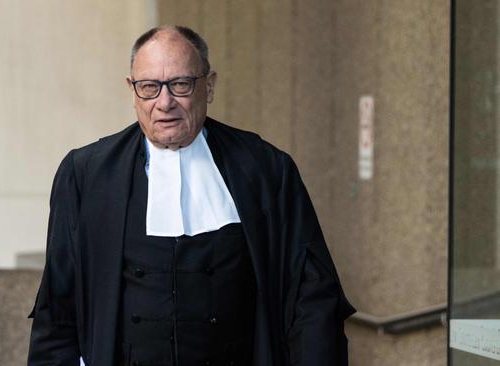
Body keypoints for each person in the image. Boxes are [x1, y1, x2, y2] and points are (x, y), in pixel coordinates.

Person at [28, 25, 355, 366]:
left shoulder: (266, 169)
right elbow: (58, 307)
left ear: (208, 86)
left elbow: (312, 298)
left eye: (180, 85)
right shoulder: (86, 174)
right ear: (132, 90)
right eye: (149, 87)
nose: (164, 103)